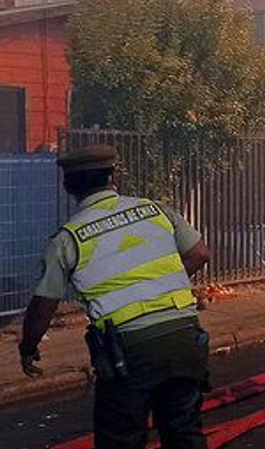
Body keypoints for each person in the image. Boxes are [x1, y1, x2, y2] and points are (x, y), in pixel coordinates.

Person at [19, 145, 212, 449]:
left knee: (120, 439)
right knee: (184, 433)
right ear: (113, 176)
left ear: (69, 186)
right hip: (184, 339)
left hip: (128, 352)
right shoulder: (156, 210)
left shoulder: (67, 239)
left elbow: (43, 307)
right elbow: (200, 253)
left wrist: (28, 348)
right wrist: (162, 285)